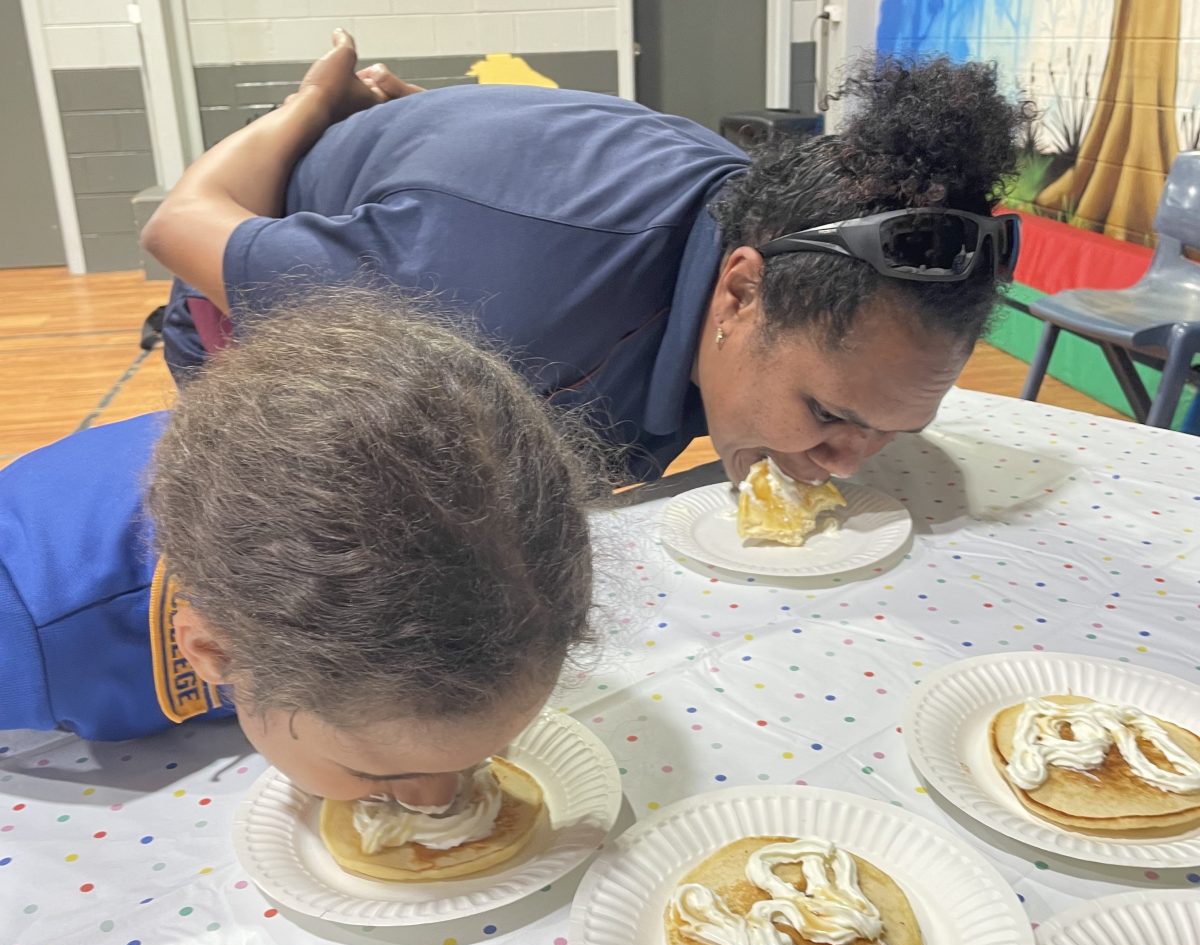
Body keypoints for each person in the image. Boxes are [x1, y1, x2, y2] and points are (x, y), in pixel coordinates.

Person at [143, 34, 1031, 486]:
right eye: (832, 414)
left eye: (887, 432)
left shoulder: (765, 214)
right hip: (246, 319)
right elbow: (181, 223)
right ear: (741, 292)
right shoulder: (465, 286)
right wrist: (312, 108)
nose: (846, 461)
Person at [0, 289, 602, 810]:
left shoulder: (512, 565)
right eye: (382, 774)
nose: (441, 802)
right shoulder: (24, 631)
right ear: (210, 652)